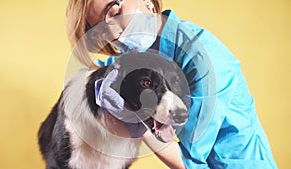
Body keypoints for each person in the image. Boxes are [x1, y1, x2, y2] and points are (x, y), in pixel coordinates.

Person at [66, 0, 277, 168]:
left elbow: (188, 163)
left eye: (115, 12)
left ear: (147, 2)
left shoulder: (204, 59)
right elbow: (102, 71)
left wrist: (136, 123)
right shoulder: (139, 53)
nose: (112, 33)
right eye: (102, 30)